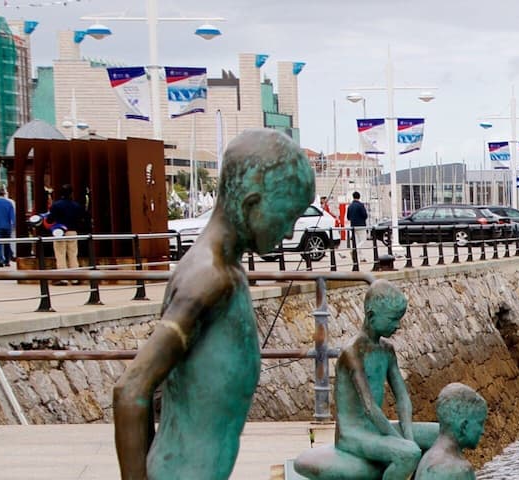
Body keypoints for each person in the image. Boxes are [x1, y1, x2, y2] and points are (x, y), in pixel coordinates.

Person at [113, 129, 316, 480]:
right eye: (288, 218)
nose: (288, 233)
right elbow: (131, 389)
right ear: (251, 204)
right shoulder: (209, 278)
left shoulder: (225, 271)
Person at [291, 280, 435, 480]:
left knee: (438, 435)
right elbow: (369, 406)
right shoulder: (352, 352)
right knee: (408, 454)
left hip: (375, 429)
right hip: (353, 434)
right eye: (394, 319)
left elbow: (402, 397)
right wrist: (400, 441)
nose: (398, 325)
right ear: (371, 315)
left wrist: (408, 436)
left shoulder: (387, 350)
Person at [415, 384, 487, 480]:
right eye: (480, 424)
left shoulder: (427, 458)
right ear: (464, 426)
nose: (483, 431)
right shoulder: (461, 470)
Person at [49, 185, 88, 281]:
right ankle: (75, 277)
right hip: (72, 231)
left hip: (59, 231)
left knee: (60, 254)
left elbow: (50, 219)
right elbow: (82, 218)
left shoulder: (56, 205)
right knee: (73, 253)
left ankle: (63, 278)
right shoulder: (76, 205)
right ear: (71, 193)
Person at [0, 190, 15, 267]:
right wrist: (13, 225)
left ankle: (0, 259)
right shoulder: (9, 203)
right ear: (4, 194)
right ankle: (7, 260)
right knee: (7, 243)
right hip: (7, 226)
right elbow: (12, 216)